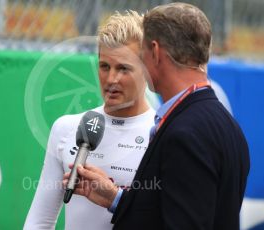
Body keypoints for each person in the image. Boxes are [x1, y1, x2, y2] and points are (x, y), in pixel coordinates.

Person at [64, 3, 250, 229]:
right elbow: (173, 212)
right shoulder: (226, 125)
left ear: (155, 51)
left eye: (140, 52)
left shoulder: (185, 134)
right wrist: (116, 199)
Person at [24, 11, 156, 230]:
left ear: (147, 69)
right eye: (105, 66)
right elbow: (40, 221)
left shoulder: (163, 132)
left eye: (123, 68)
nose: (112, 79)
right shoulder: (66, 128)